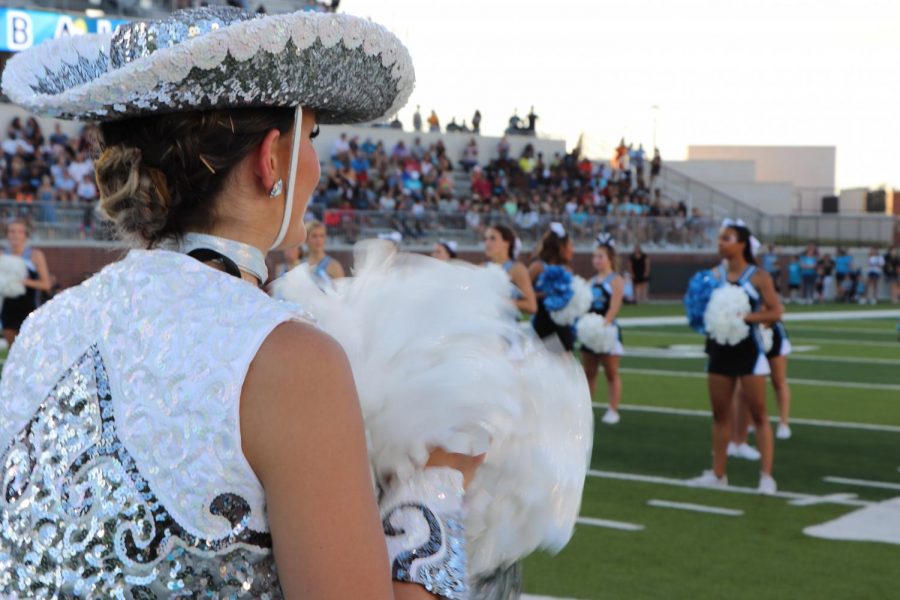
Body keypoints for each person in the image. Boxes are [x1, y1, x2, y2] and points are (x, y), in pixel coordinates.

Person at [0, 8, 477, 598]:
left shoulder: (41, 331)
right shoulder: (292, 361)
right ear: (271, 159)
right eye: (313, 137)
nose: (319, 168)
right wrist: (436, 491)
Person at [688, 220, 782, 495]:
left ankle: (766, 476)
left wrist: (745, 317)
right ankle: (718, 474)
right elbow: (699, 311)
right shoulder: (712, 276)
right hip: (718, 349)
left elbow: (775, 312)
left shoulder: (758, 277)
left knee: (759, 413)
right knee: (720, 414)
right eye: (719, 239)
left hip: (748, 352)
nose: (720, 243)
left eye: (726, 238)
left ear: (741, 243)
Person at [581, 237, 624, 425]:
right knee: (589, 372)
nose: (597, 260)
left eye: (600, 256)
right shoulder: (590, 281)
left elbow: (614, 307)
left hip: (608, 331)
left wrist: (602, 326)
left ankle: (613, 410)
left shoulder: (616, 280)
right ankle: (586, 410)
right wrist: (588, 328)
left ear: (610, 259)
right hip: (591, 331)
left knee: (611, 372)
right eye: (594, 257)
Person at [1, 220, 52, 346]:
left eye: (19, 231)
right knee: (12, 352)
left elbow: (46, 284)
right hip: (8, 310)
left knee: (27, 349)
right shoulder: (2, 255)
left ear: (25, 234)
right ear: (7, 235)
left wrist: (22, 281)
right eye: (12, 231)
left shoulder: (35, 255)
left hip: (28, 310)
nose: (15, 235)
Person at [529, 223, 576, 352]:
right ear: (560, 247)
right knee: (543, 366)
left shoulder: (567, 270)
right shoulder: (538, 267)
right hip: (542, 323)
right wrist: (543, 295)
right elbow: (522, 293)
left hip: (563, 324)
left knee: (565, 368)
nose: (573, 249)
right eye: (570, 245)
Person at [484, 224, 537, 315]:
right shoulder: (482, 267)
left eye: (493, 238)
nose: (487, 243)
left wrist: (501, 303)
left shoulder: (517, 269)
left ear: (507, 242)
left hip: (505, 326)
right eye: (486, 239)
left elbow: (531, 306)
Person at [302, 220, 345, 291]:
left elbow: (341, 294)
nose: (318, 240)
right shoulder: (301, 265)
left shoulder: (334, 266)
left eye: (321, 236)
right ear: (306, 239)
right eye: (314, 236)